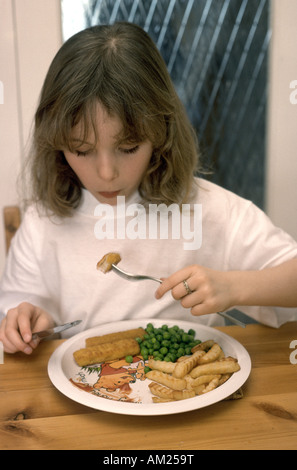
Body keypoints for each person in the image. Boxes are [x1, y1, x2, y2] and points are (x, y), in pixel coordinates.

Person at [1, 22, 297, 356]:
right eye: (81, 150)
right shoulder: (44, 222)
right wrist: (29, 325)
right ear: (55, 145)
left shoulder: (208, 210)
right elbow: (20, 314)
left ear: (161, 132)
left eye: (128, 147)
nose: (106, 173)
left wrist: (234, 286)